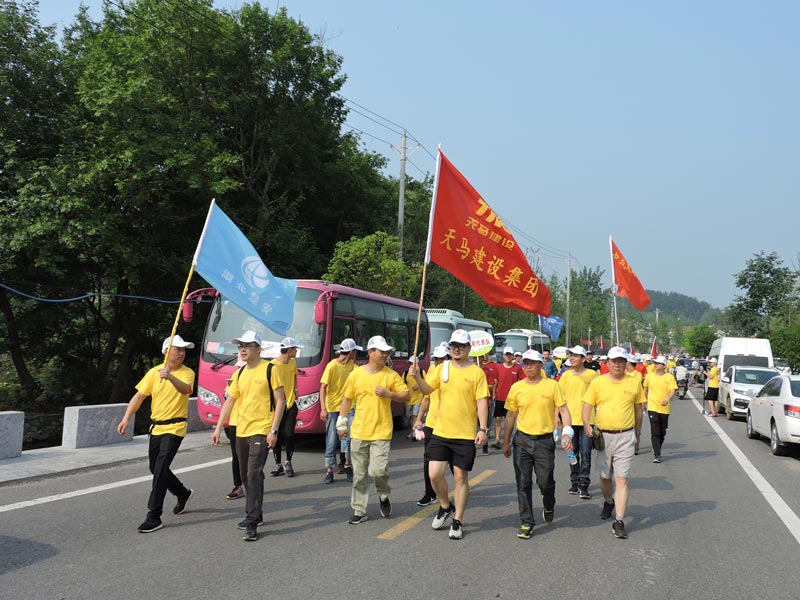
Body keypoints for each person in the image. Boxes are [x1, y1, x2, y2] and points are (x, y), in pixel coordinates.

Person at [410, 329, 490, 540]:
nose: (456, 349)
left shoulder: (476, 373)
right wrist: (417, 377)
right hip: (441, 431)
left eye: (461, 346)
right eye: (453, 345)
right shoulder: (442, 368)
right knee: (434, 474)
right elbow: (427, 391)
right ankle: (445, 506)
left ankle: (458, 520)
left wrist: (483, 429)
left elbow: (482, 401)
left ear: (468, 349)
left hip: (464, 434)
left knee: (460, 477)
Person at [212, 330, 286, 542]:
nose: (243, 349)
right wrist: (218, 428)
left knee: (253, 473)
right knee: (246, 476)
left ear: (259, 349)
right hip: (241, 430)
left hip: (261, 429)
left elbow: (280, 401)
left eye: (248, 345)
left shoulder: (271, 369)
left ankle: (252, 520)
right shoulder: (240, 373)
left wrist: (273, 430)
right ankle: (256, 512)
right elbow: (229, 401)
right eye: (240, 346)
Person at [117, 335, 196, 533]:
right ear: (165, 352)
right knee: (155, 467)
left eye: (183, 349)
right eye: (177, 349)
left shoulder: (187, 372)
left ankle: (154, 516)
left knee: (160, 470)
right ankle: (182, 492)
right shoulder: (153, 373)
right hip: (156, 427)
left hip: (176, 427)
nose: (181, 352)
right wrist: (127, 418)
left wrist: (169, 376)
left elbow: (186, 390)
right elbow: (140, 395)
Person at [337, 335, 410, 524]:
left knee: (378, 471)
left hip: (381, 432)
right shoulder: (356, 375)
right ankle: (359, 510)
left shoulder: (390, 375)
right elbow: (347, 398)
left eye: (387, 351)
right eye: (381, 351)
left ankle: (383, 495)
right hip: (360, 431)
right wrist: (342, 421)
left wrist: (389, 394)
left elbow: (407, 394)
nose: (385, 354)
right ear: (370, 352)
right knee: (359, 474)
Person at [503, 350, 573, 539]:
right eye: (525, 363)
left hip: (544, 441)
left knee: (545, 481)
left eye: (532, 363)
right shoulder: (517, 387)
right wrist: (506, 441)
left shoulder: (552, 386)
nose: (527, 366)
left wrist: (567, 433)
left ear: (541, 365)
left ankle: (549, 503)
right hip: (522, 440)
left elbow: (565, 411)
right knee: (523, 482)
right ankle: (527, 522)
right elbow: (510, 415)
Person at [581, 346, 646, 540]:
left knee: (622, 479)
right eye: (613, 361)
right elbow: (587, 406)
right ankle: (608, 501)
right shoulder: (598, 382)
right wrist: (587, 424)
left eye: (621, 361)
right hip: (603, 437)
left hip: (625, 436)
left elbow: (638, 411)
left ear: (626, 364)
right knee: (604, 477)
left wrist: (637, 435)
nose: (617, 364)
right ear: (607, 363)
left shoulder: (634, 383)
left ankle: (619, 520)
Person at [558, 345, 598, 499]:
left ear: (583, 358)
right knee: (571, 453)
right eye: (570, 356)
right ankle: (574, 482)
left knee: (586, 453)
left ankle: (584, 485)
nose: (572, 358)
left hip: (587, 420)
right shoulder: (565, 376)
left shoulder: (592, 375)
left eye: (575, 356)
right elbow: (559, 399)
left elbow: (597, 397)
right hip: (570, 421)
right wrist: (557, 417)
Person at [319, 338, 361, 484]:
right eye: (355, 351)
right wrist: (323, 408)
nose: (355, 354)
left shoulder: (353, 366)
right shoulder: (331, 366)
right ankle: (329, 470)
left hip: (348, 407)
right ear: (351, 352)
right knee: (331, 440)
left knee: (347, 438)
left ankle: (347, 465)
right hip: (332, 408)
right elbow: (323, 387)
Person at [413, 343, 449, 505]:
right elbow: (426, 397)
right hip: (433, 423)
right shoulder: (432, 372)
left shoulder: (456, 372)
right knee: (428, 460)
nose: (438, 362)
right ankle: (430, 493)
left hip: (451, 425)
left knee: (456, 467)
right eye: (436, 359)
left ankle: (459, 488)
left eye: (441, 359)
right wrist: (419, 418)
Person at [270, 337, 303, 478]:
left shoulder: (293, 362)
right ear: (290, 350)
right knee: (276, 435)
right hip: (278, 407)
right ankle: (278, 466)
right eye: (295, 349)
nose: (296, 351)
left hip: (290, 404)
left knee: (289, 434)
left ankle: (288, 462)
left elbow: (294, 375)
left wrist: (295, 389)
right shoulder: (272, 366)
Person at [643, 356, 677, 463]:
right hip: (652, 406)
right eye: (655, 363)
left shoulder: (669, 377)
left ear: (664, 366)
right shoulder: (649, 376)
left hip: (664, 408)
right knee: (655, 431)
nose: (656, 365)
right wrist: (643, 401)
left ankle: (656, 446)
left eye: (658, 363)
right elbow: (646, 389)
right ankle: (657, 454)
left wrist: (667, 399)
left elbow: (672, 390)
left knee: (662, 432)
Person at [491, 347, 523, 449]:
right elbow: (496, 381)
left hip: (512, 399)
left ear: (512, 355)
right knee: (498, 419)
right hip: (500, 397)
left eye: (510, 354)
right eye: (506, 354)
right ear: (504, 356)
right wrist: (494, 393)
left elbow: (522, 382)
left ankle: (508, 439)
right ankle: (497, 439)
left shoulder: (517, 368)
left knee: (510, 420)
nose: (508, 356)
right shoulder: (498, 367)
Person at [222, 362, 246, 500]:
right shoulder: (235, 376)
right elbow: (227, 398)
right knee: (236, 456)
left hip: (251, 423)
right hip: (235, 421)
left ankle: (252, 480)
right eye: (238, 367)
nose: (239, 369)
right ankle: (238, 486)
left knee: (250, 456)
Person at [478, 353, 498, 455]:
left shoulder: (487, 371)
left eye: (480, 357)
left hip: (485, 401)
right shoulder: (470, 370)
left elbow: (491, 385)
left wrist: (481, 385)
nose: (476, 359)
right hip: (471, 403)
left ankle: (485, 448)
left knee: (484, 425)